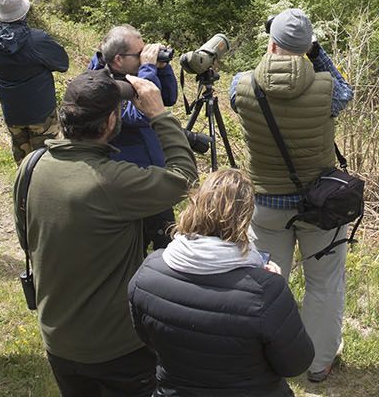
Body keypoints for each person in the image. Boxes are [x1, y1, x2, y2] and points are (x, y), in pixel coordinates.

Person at [14, 69, 196, 397]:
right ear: (111, 122)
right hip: (117, 345)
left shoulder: (30, 167)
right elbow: (183, 177)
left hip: (57, 336)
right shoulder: (113, 182)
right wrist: (159, 114)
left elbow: (26, 238)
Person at [228, 7, 354, 384]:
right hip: (319, 205)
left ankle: (267, 360)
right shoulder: (327, 90)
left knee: (267, 284)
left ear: (272, 43)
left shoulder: (241, 85)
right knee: (324, 283)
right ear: (306, 47)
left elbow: (246, 94)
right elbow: (346, 91)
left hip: (265, 203)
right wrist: (316, 54)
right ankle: (317, 365)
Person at [128, 168, 314, 396]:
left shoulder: (148, 273)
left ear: (194, 206)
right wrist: (277, 289)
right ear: (245, 219)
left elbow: (147, 337)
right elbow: (296, 363)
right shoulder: (266, 291)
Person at [87, 24, 179, 249]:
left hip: (153, 175)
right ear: (118, 59)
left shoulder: (132, 71)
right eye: (139, 53)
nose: (144, 55)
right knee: (132, 247)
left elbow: (168, 97)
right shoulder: (101, 84)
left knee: (166, 243)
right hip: (127, 179)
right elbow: (141, 113)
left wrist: (162, 67)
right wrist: (147, 69)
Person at [0, 0, 70, 163]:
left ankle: (25, 188)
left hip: (12, 110)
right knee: (48, 157)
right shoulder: (37, 39)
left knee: (22, 157)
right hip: (41, 111)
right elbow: (63, 63)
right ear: (23, 11)